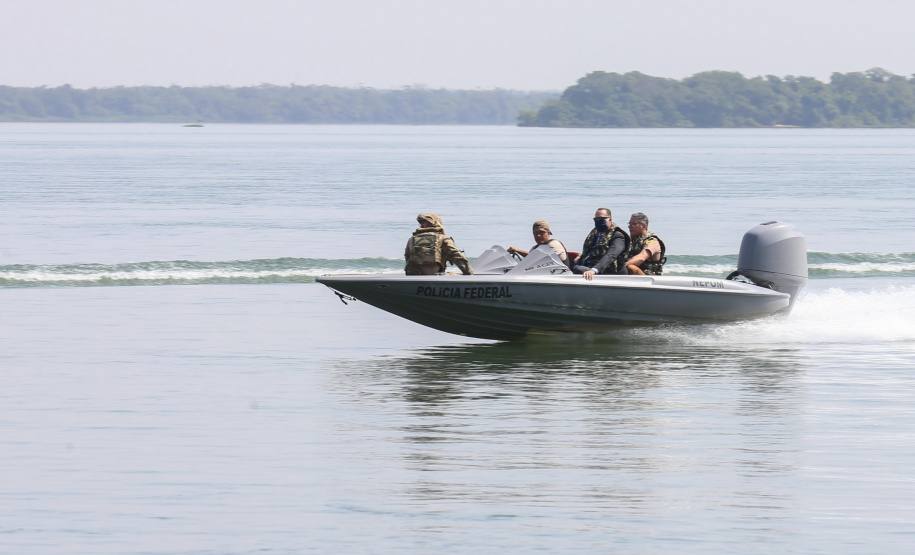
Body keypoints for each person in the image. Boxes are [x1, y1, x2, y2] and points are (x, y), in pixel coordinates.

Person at [404, 213, 473, 275]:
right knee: (452, 274)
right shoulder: (443, 238)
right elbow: (458, 257)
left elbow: (407, 258)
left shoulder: (411, 239)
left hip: (413, 275)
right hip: (435, 276)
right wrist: (469, 274)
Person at [572, 207, 630, 281]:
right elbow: (588, 251)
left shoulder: (618, 236)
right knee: (572, 267)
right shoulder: (595, 234)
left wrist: (594, 270)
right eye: (596, 219)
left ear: (610, 220)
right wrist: (580, 258)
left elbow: (611, 255)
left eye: (601, 219)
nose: (598, 221)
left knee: (579, 269)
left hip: (609, 271)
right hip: (591, 267)